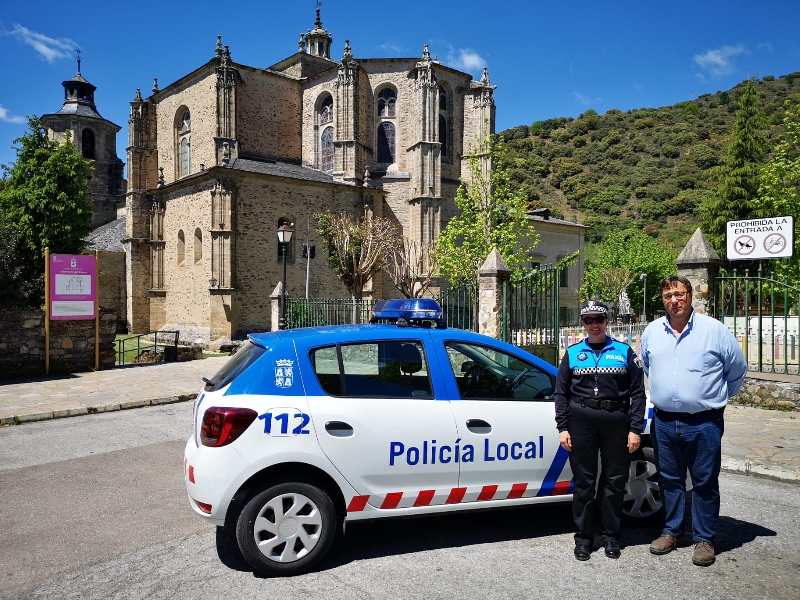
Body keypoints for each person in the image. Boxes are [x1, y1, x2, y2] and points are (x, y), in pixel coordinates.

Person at [641, 276, 746, 567]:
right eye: (667, 296)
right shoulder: (652, 331)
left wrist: (713, 397)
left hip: (704, 422)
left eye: (678, 294)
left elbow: (736, 370)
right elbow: (648, 366)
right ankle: (672, 531)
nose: (673, 301)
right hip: (663, 421)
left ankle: (704, 539)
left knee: (704, 482)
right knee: (669, 480)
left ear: (690, 295)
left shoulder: (715, 330)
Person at [554, 300, 646, 561]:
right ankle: (583, 538)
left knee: (614, 482)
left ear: (607, 321)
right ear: (582, 323)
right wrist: (563, 427)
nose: (594, 324)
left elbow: (638, 394)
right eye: (588, 320)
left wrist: (635, 429)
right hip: (581, 421)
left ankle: (611, 537)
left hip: (617, 420)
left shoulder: (624, 352)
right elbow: (561, 393)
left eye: (599, 319)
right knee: (584, 482)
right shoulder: (572, 353)